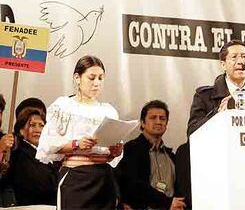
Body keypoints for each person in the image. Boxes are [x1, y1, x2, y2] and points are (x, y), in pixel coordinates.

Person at [36, 55, 123, 210]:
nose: (97, 83)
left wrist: (115, 151)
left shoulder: (108, 111)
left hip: (104, 179)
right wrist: (77, 144)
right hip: (76, 178)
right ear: (77, 78)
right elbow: (49, 146)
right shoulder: (64, 107)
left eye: (101, 78)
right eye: (91, 78)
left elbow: (111, 153)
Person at [187, 40, 245, 135]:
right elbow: (192, 133)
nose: (240, 62)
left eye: (244, 57)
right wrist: (216, 115)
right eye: (234, 57)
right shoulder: (204, 96)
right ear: (223, 64)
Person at [116, 100, 186, 210]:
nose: (158, 122)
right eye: (153, 118)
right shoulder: (131, 149)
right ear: (143, 123)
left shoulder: (172, 156)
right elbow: (132, 185)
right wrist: (166, 203)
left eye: (162, 118)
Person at [9, 108, 58, 206]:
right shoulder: (20, 155)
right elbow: (45, 186)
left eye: (41, 126)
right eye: (32, 125)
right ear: (21, 130)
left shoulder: (46, 153)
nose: (38, 130)